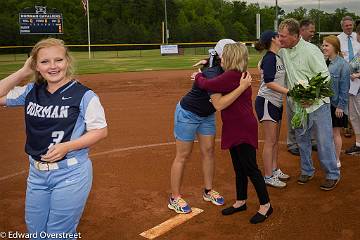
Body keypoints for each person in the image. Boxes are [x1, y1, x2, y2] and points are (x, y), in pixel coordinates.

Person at [0, 38, 108, 238]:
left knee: (58, 233)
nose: (53, 66)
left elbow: (100, 130)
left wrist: (68, 146)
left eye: (58, 60)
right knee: (35, 231)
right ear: (36, 66)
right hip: (36, 174)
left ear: (67, 61)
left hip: (71, 174)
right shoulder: (32, 91)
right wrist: (24, 72)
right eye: (44, 62)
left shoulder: (84, 95)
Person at [168, 39, 252, 214]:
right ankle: (175, 198)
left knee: (209, 151)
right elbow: (218, 104)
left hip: (206, 116)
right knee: (183, 155)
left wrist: (204, 64)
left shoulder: (229, 70)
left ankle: (208, 191)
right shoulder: (213, 73)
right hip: (188, 113)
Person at [193, 42, 272, 224]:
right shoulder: (236, 74)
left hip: (242, 126)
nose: (221, 58)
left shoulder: (232, 75)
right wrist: (206, 64)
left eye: (224, 55)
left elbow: (207, 84)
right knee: (239, 167)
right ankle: (241, 201)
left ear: (231, 57)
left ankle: (266, 205)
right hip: (235, 125)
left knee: (250, 167)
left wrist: (198, 76)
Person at [278, 18, 340, 191]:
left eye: (283, 36)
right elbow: (265, 52)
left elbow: (324, 75)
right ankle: (307, 170)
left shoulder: (311, 51)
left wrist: (312, 96)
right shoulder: (283, 51)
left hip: (317, 103)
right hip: (297, 105)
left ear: (296, 35)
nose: (280, 39)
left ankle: (332, 173)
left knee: (323, 140)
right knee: (301, 139)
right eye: (279, 35)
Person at [254, 30, 290, 188]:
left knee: (274, 140)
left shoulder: (276, 57)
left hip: (275, 102)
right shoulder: (269, 58)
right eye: (278, 37)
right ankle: (268, 176)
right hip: (267, 102)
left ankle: (274, 169)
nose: (281, 39)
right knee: (270, 141)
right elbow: (269, 82)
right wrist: (289, 92)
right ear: (272, 40)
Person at [287, 19, 317, 155]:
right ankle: (292, 142)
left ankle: (311, 140)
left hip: (308, 88)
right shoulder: (289, 46)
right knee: (294, 115)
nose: (313, 34)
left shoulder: (311, 47)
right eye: (311, 31)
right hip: (293, 88)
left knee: (310, 115)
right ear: (302, 30)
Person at [322, 35, 350, 167]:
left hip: (335, 105)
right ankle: (329, 156)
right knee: (326, 133)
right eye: (323, 45)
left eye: (327, 45)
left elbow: (345, 88)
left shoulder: (342, 65)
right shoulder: (323, 61)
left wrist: (340, 106)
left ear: (335, 47)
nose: (324, 47)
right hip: (324, 104)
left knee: (335, 133)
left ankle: (336, 159)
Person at [337, 16, 360, 137]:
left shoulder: (358, 37)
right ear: (342, 26)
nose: (349, 27)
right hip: (345, 75)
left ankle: (354, 126)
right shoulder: (338, 39)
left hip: (357, 76)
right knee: (344, 99)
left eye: (350, 25)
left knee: (356, 102)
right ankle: (346, 124)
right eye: (346, 25)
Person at [345, 23, 360, 155]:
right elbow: (353, 64)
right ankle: (358, 144)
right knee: (354, 116)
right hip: (354, 89)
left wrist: (358, 74)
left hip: (358, 88)